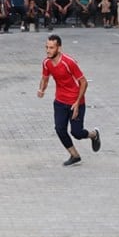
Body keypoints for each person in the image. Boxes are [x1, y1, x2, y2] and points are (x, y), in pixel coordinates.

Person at [38, 34, 101, 166]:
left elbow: (83, 82)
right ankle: (74, 155)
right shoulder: (46, 62)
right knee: (60, 129)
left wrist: (77, 102)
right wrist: (41, 90)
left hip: (75, 102)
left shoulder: (69, 62)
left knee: (76, 133)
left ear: (59, 48)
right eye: (47, 47)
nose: (48, 50)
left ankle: (94, 135)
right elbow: (45, 77)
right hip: (60, 101)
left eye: (51, 47)